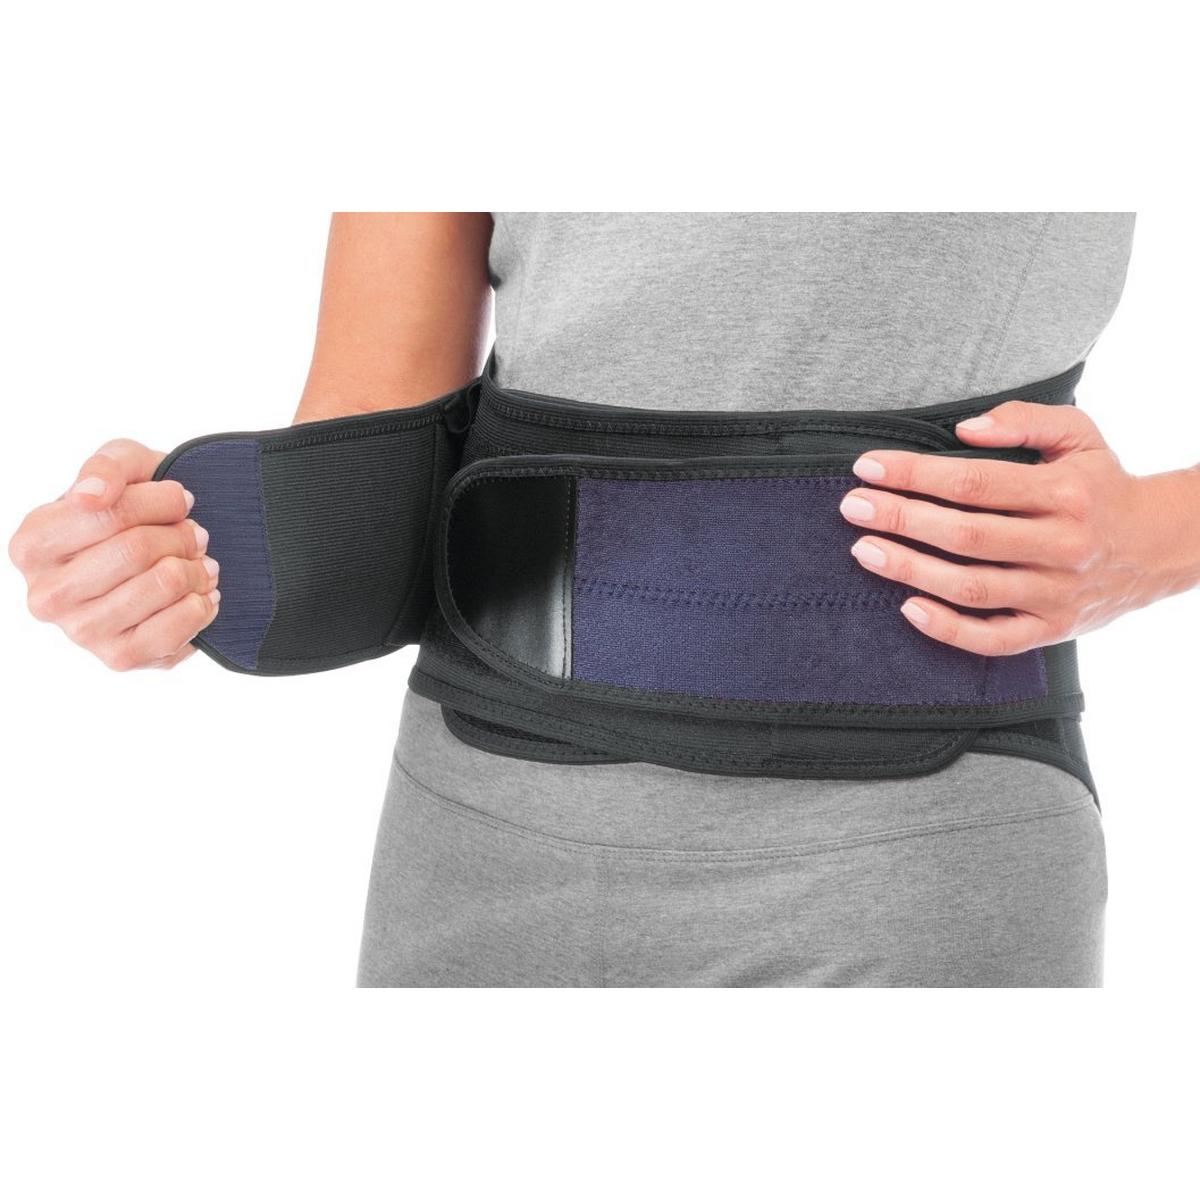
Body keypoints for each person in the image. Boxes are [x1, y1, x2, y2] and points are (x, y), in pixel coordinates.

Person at [10, 213, 1198, 987]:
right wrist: (176, 552)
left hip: (906, 858)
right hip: (477, 841)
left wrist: (1154, 535)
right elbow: (377, 465)